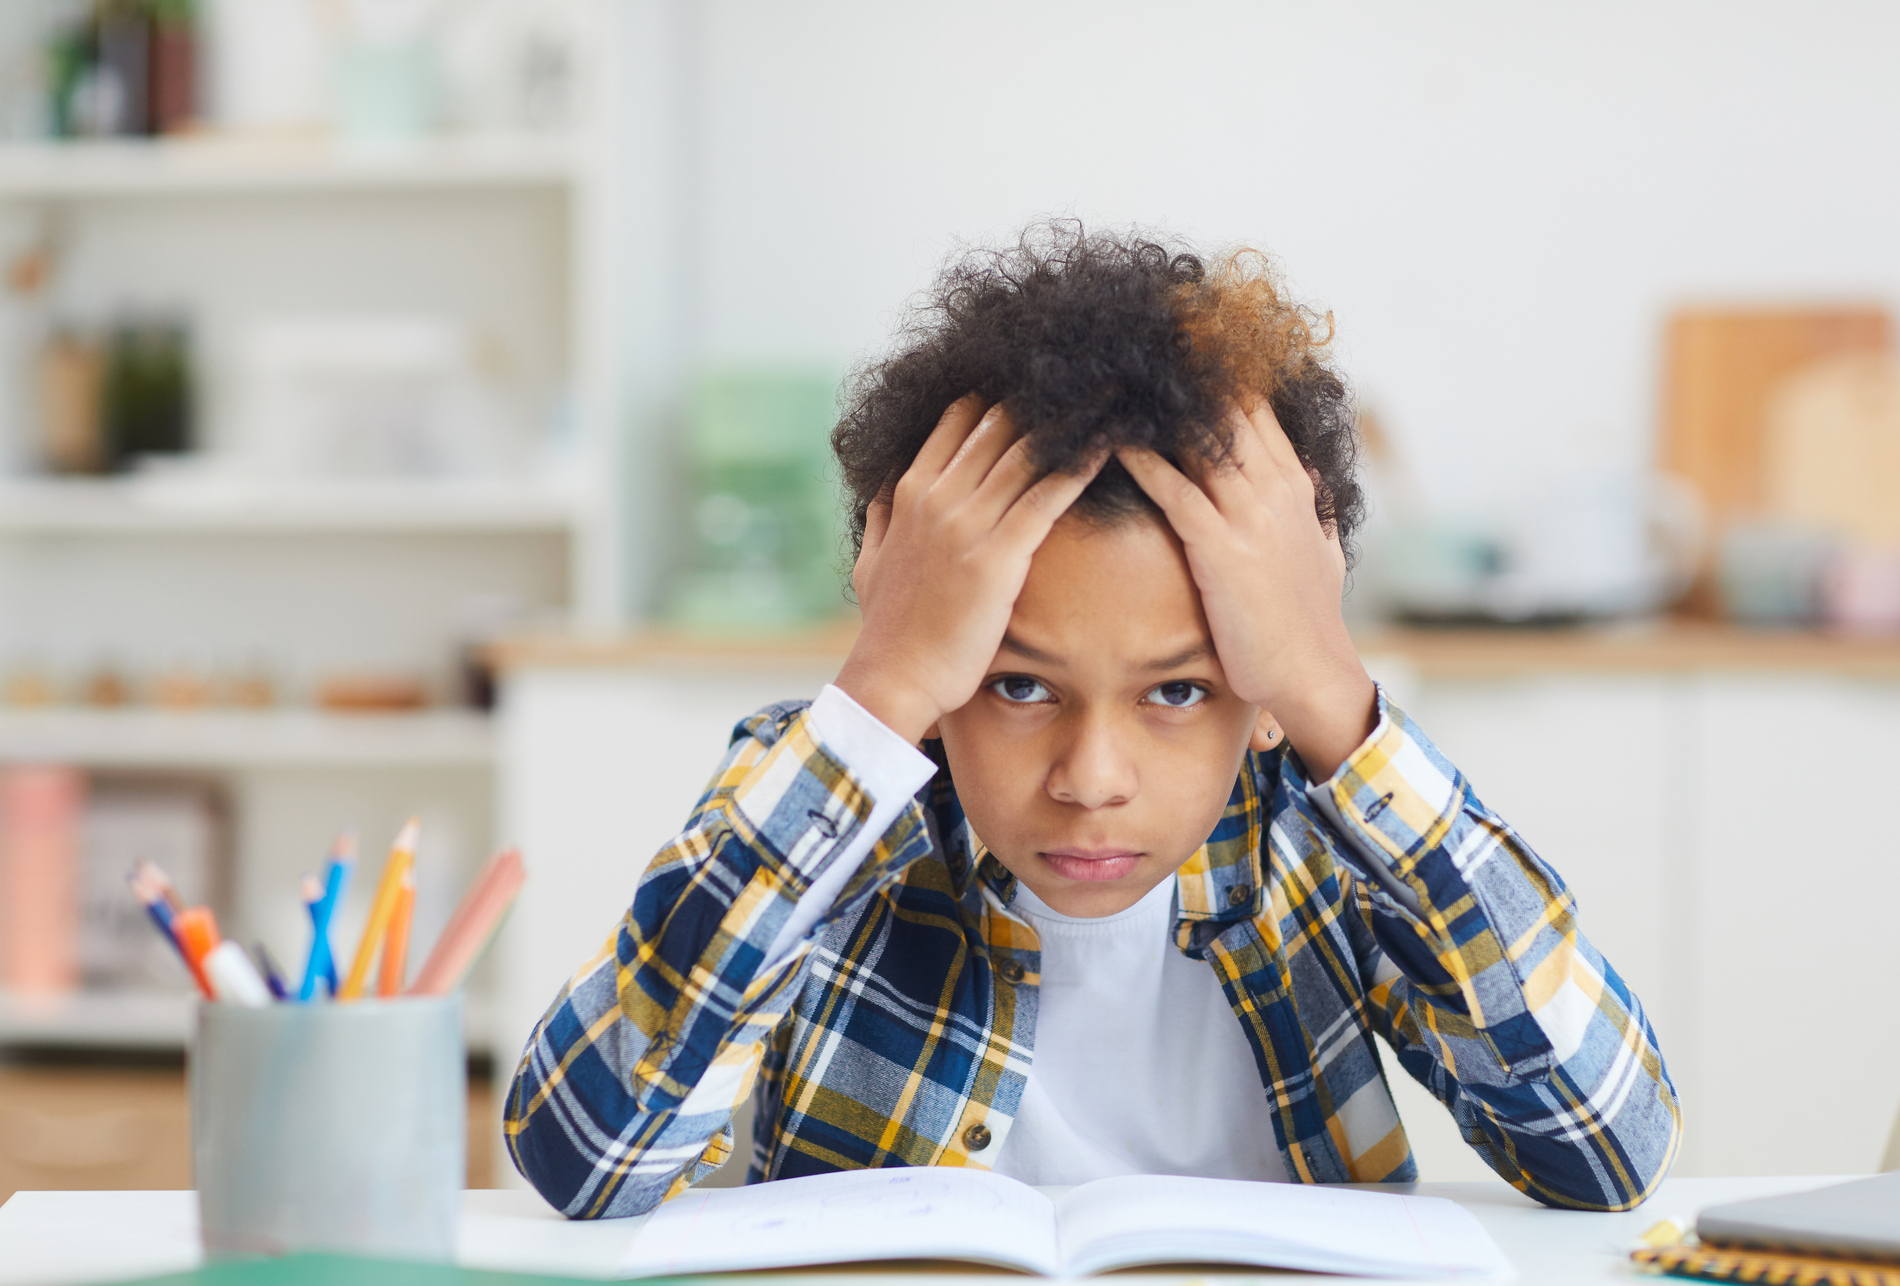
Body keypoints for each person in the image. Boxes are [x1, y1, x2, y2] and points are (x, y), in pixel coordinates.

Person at [505, 225, 1680, 1218]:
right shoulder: (826, 801)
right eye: (1018, 685)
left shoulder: (1317, 837)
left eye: (1179, 691)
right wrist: (881, 691)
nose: (1093, 778)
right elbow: (587, 1159)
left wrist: (1329, 693)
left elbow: (1605, 1146)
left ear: (1262, 695)